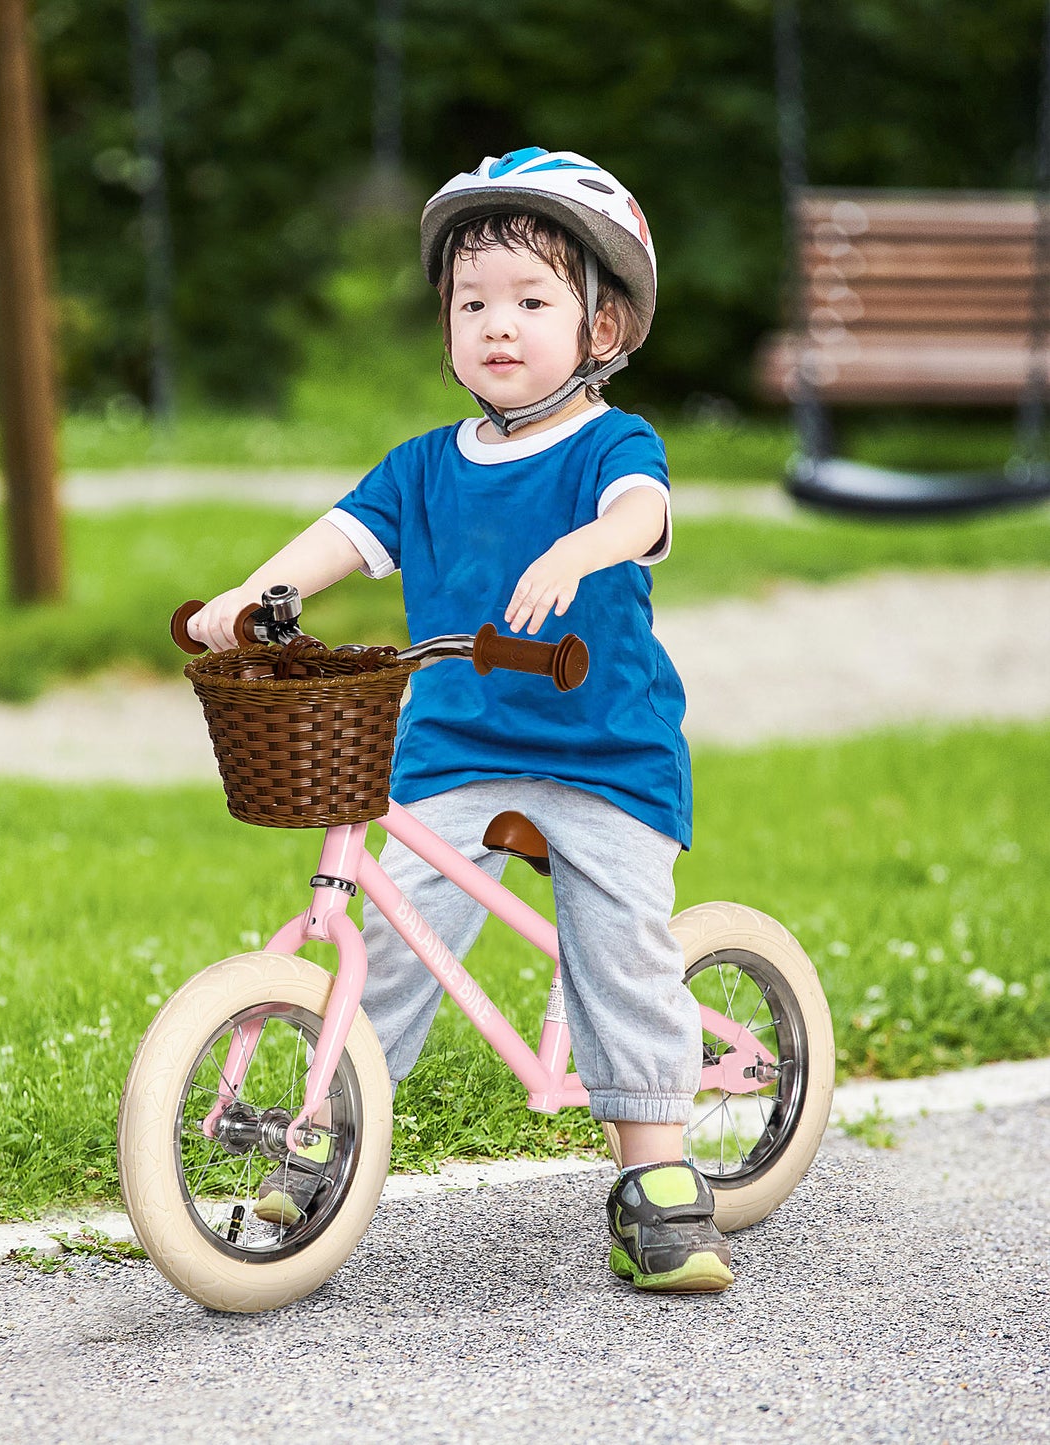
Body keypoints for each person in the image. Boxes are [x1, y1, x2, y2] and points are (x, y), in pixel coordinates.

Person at [189, 148, 731, 1294]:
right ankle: (321, 1137)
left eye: (532, 300)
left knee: (619, 949)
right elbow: (338, 535)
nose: (497, 324)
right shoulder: (423, 465)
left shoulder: (605, 446)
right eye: (471, 301)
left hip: (602, 754)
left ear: (601, 326)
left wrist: (583, 545)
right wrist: (249, 598)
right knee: (382, 943)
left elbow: (642, 510)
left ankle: (658, 1172)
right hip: (453, 750)